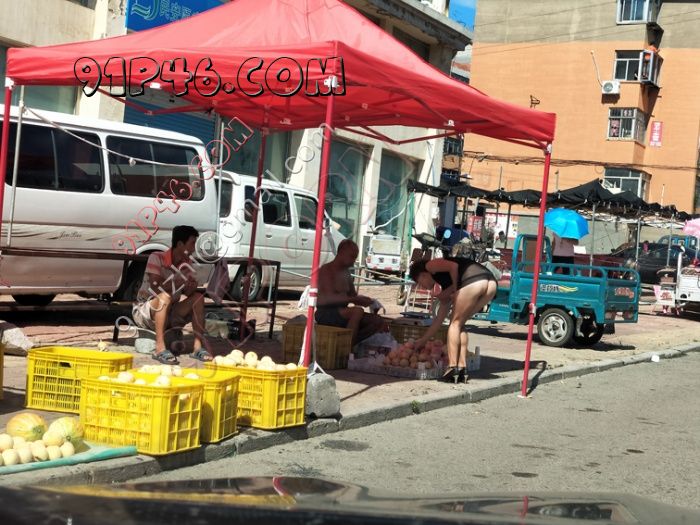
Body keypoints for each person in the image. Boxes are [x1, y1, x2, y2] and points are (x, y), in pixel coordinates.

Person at [409, 256, 498, 383]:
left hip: (473, 281)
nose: (423, 287)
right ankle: (462, 368)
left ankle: (452, 368)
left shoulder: (430, 266)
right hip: (490, 284)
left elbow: (453, 266)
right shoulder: (447, 285)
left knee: (454, 324)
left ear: (423, 275)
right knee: (460, 324)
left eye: (419, 283)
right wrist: (423, 341)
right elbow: (438, 321)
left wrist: (456, 291)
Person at [132, 225, 212, 365]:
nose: (194, 249)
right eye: (192, 243)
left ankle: (197, 347)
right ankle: (159, 348)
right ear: (180, 244)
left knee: (198, 298)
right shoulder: (156, 257)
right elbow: (155, 288)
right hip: (145, 311)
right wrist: (177, 281)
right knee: (165, 297)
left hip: (171, 311)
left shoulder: (187, 263)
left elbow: (187, 293)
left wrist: (191, 286)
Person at [316, 239, 386, 346]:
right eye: (352, 257)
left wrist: (368, 301)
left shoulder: (346, 273)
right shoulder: (326, 270)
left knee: (377, 321)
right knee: (357, 311)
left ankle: (354, 344)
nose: (353, 261)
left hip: (343, 313)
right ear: (342, 253)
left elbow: (353, 296)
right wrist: (353, 299)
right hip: (326, 313)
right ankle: (346, 347)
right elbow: (327, 298)